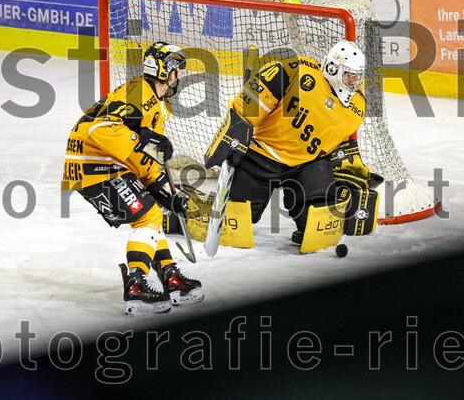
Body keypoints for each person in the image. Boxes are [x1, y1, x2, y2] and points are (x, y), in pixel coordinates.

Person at [62, 42, 204, 315]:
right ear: (171, 73)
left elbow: (142, 155)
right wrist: (143, 139)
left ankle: (170, 276)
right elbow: (100, 130)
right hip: (94, 165)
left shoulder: (154, 101)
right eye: (179, 71)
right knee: (148, 217)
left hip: (102, 165)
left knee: (151, 215)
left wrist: (160, 188)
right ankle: (137, 285)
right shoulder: (139, 92)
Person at [206, 40, 374, 245]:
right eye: (349, 75)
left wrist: (349, 169)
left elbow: (339, 144)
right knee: (238, 218)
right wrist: (237, 128)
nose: (354, 82)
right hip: (264, 155)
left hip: (307, 165)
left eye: (358, 76)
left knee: (317, 220)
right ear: (332, 68)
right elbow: (254, 98)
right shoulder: (298, 70)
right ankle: (180, 212)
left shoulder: (357, 106)